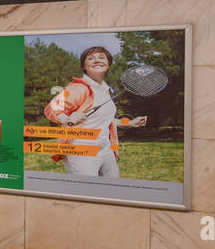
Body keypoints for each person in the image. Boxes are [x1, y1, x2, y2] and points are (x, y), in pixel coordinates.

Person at [43, 46, 146, 178]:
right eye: (91, 58)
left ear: (108, 65)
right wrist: (66, 119)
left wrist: (130, 123)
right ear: (84, 66)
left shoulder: (104, 89)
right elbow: (52, 108)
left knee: (111, 191)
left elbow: (103, 119)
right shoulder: (78, 88)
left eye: (102, 58)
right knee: (86, 193)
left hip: (106, 149)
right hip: (81, 150)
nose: (97, 61)